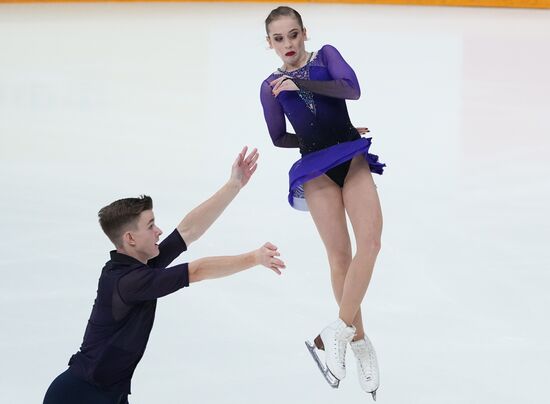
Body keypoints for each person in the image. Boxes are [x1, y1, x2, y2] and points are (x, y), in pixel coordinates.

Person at [43, 147, 286, 404]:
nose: (159, 231)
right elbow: (197, 270)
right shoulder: (130, 282)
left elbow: (188, 231)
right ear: (130, 238)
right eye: (150, 226)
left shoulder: (138, 265)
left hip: (109, 394)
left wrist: (234, 185)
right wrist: (254, 258)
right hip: (78, 396)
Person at [260, 6, 384, 400]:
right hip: (315, 169)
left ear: (304, 33)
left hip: (350, 156)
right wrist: (314, 140)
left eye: (293, 34)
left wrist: (309, 93)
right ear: (270, 43)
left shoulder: (326, 56)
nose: (288, 44)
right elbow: (279, 137)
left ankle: (337, 330)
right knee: (339, 259)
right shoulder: (269, 86)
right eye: (279, 39)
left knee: (372, 243)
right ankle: (360, 343)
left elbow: (352, 89)